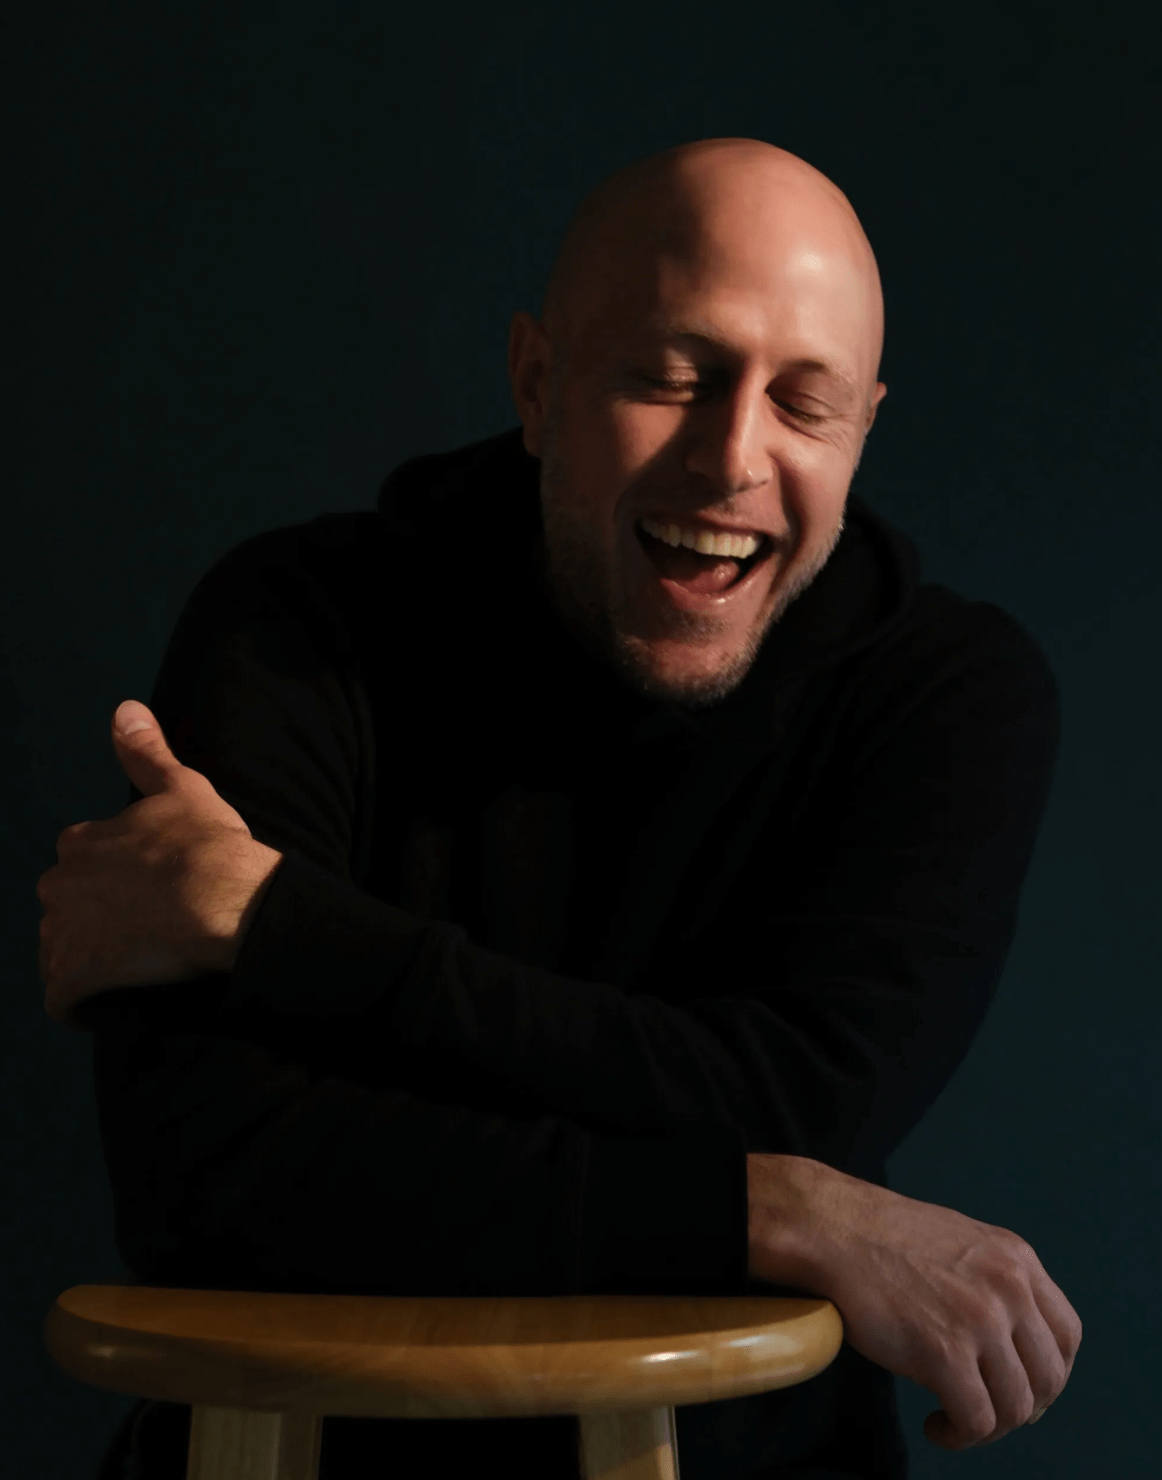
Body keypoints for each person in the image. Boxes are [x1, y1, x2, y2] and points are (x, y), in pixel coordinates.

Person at [38, 138, 1081, 1479]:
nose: (732, 459)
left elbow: (804, 1102)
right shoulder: (292, 629)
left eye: (802, 403)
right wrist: (766, 1208)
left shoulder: (945, 694)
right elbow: (208, 1176)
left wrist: (280, 929)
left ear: (862, 429)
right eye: (672, 377)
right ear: (539, 384)